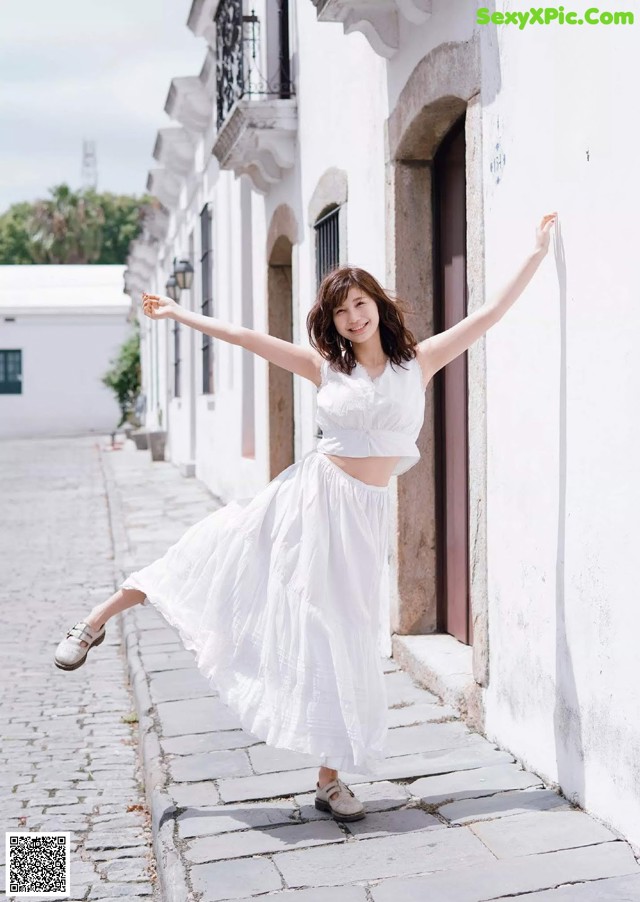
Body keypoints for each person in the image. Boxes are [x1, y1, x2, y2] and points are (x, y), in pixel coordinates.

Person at [54, 213, 557, 821]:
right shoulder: (327, 367)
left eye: (361, 304)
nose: (354, 317)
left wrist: (535, 252)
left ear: (379, 306)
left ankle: (329, 779)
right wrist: (176, 314)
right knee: (213, 552)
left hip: (362, 518)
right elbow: (244, 337)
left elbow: (488, 316)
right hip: (309, 499)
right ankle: (94, 622)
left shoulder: (417, 363)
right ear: (333, 322)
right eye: (342, 311)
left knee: (344, 636)